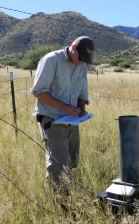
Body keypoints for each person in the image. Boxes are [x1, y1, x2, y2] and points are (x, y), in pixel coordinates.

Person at [30, 36, 95, 195]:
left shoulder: (82, 65)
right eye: (80, 57)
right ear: (73, 48)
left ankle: (67, 196)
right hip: (52, 118)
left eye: (85, 59)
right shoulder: (52, 60)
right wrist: (65, 107)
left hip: (72, 120)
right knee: (58, 165)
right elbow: (38, 91)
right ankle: (57, 203)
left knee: (72, 161)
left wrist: (80, 110)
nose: (82, 62)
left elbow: (82, 92)